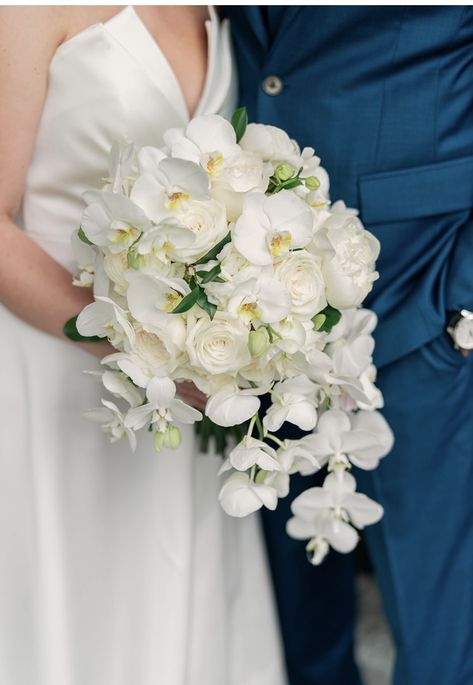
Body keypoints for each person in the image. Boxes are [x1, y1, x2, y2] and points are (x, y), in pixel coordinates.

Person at [0, 6, 286, 684]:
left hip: (182, 382)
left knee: (172, 587)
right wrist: (130, 344)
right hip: (57, 365)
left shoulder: (220, 10)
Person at [227, 6, 473, 685]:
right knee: (295, 633)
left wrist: (461, 295)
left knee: (441, 645)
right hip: (249, 311)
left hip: (424, 302)